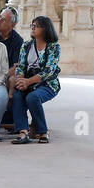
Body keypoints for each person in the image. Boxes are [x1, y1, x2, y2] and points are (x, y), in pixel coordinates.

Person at [11, 15, 61, 145]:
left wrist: (28, 81)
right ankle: (23, 132)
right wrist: (20, 80)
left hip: (47, 84)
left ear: (45, 29)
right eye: (31, 25)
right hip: (27, 82)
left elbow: (49, 70)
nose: (32, 28)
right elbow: (20, 66)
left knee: (33, 98)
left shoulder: (53, 47)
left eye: (36, 26)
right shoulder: (27, 45)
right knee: (17, 96)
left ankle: (42, 132)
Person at [0, 6, 25, 129]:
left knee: (14, 81)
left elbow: (16, 65)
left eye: (3, 19)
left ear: (12, 24)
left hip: (6, 75)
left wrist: (2, 76)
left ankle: (10, 116)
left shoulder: (18, 40)